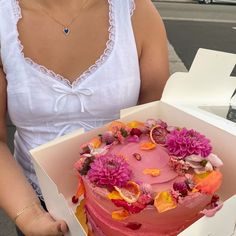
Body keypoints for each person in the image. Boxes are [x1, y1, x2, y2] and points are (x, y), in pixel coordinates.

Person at [0, 0, 169, 235]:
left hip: (124, 205)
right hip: (34, 201)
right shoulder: (3, 17)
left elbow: (156, 125)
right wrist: (31, 217)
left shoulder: (135, 10)